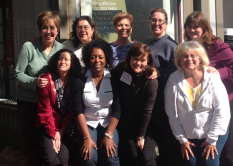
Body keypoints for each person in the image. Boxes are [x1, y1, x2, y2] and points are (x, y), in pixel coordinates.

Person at [164, 41, 230, 166]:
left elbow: (222, 111)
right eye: (184, 56)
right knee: (190, 162)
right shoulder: (173, 79)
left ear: (200, 58)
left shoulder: (212, 78)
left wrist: (211, 140)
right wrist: (182, 140)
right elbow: (171, 114)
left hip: (215, 131)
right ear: (179, 59)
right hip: (189, 134)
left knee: (209, 163)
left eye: (193, 55)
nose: (189, 59)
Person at [15, 11, 65, 166]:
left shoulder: (61, 49)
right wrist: (34, 82)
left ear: (57, 30)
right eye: (45, 27)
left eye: (52, 27)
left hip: (51, 107)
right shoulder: (29, 47)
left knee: (49, 144)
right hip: (29, 103)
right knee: (30, 143)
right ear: (39, 29)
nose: (48, 31)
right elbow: (18, 74)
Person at [183, 11, 233, 166]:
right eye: (189, 27)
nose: (192, 30)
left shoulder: (218, 46)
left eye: (196, 26)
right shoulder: (188, 47)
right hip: (201, 103)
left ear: (204, 28)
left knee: (225, 150)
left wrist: (221, 72)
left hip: (223, 102)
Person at [71, 39, 120, 166]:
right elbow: (78, 111)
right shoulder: (80, 80)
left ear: (106, 59)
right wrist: (87, 138)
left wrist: (109, 135)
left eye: (100, 57)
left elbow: (117, 109)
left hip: (108, 123)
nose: (97, 60)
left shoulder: (114, 79)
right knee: (89, 158)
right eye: (93, 57)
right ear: (88, 59)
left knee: (111, 156)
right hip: (88, 124)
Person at [143, 8, 182, 166]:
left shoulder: (172, 45)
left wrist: (161, 72)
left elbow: (179, 70)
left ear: (166, 24)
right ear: (149, 23)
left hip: (165, 106)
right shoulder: (146, 42)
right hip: (149, 105)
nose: (157, 23)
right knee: (147, 156)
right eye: (154, 20)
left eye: (161, 20)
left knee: (168, 153)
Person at [111, 42, 158, 166]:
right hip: (128, 124)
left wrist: (141, 136)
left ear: (148, 61)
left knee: (147, 158)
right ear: (129, 58)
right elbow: (108, 74)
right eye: (135, 59)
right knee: (132, 156)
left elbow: (147, 110)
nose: (138, 63)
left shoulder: (151, 81)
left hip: (147, 126)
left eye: (142, 60)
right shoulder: (122, 69)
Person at [35, 49, 82, 166]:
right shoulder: (47, 79)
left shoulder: (75, 82)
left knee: (64, 161)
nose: (62, 62)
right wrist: (54, 133)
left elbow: (73, 108)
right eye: (60, 59)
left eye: (66, 59)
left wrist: (61, 131)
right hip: (47, 126)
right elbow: (45, 110)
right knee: (52, 161)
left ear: (72, 64)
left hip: (65, 127)